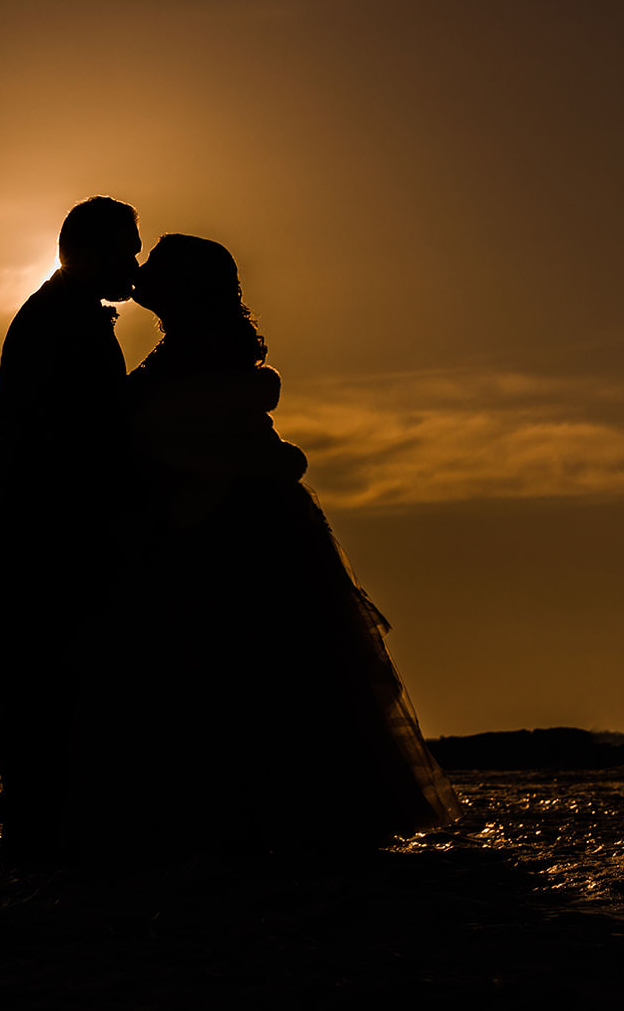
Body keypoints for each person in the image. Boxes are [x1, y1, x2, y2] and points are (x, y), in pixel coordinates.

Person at [114, 233, 461, 851]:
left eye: (159, 269)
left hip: (233, 527)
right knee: (268, 666)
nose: (143, 275)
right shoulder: (201, 352)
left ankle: (272, 814)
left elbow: (223, 440)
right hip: (235, 517)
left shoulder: (201, 356)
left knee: (259, 662)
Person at [0, 196, 141, 868]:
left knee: (49, 701)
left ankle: (46, 842)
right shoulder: (60, 325)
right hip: (49, 538)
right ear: (89, 251)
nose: (135, 262)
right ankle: (38, 849)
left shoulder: (63, 316)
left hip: (43, 532)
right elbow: (76, 442)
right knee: (46, 698)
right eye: (126, 248)